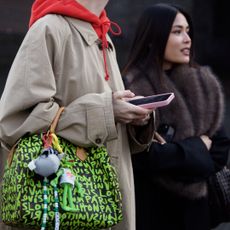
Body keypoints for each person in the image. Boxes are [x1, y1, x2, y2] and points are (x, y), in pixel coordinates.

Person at [0, 0, 153, 229]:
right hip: (61, 204)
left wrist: (135, 117)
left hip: (104, 201)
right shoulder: (49, 28)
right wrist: (106, 110)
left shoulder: (102, 33)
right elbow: (15, 120)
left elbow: (107, 120)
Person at [123, 3, 230, 230]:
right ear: (154, 37)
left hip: (198, 214)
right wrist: (198, 148)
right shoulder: (129, 88)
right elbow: (140, 157)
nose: (187, 39)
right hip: (150, 212)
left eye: (188, 31)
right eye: (177, 32)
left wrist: (170, 152)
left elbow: (220, 150)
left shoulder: (206, 84)